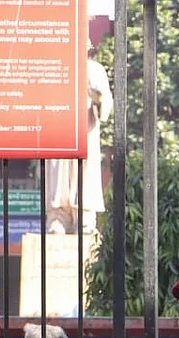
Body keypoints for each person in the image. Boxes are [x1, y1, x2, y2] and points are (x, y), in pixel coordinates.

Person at [45, 49, 113, 235]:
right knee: (57, 172)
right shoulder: (52, 66)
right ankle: (58, 216)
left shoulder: (94, 69)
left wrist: (98, 99)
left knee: (85, 172)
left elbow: (106, 103)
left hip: (86, 128)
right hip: (59, 128)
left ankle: (84, 216)